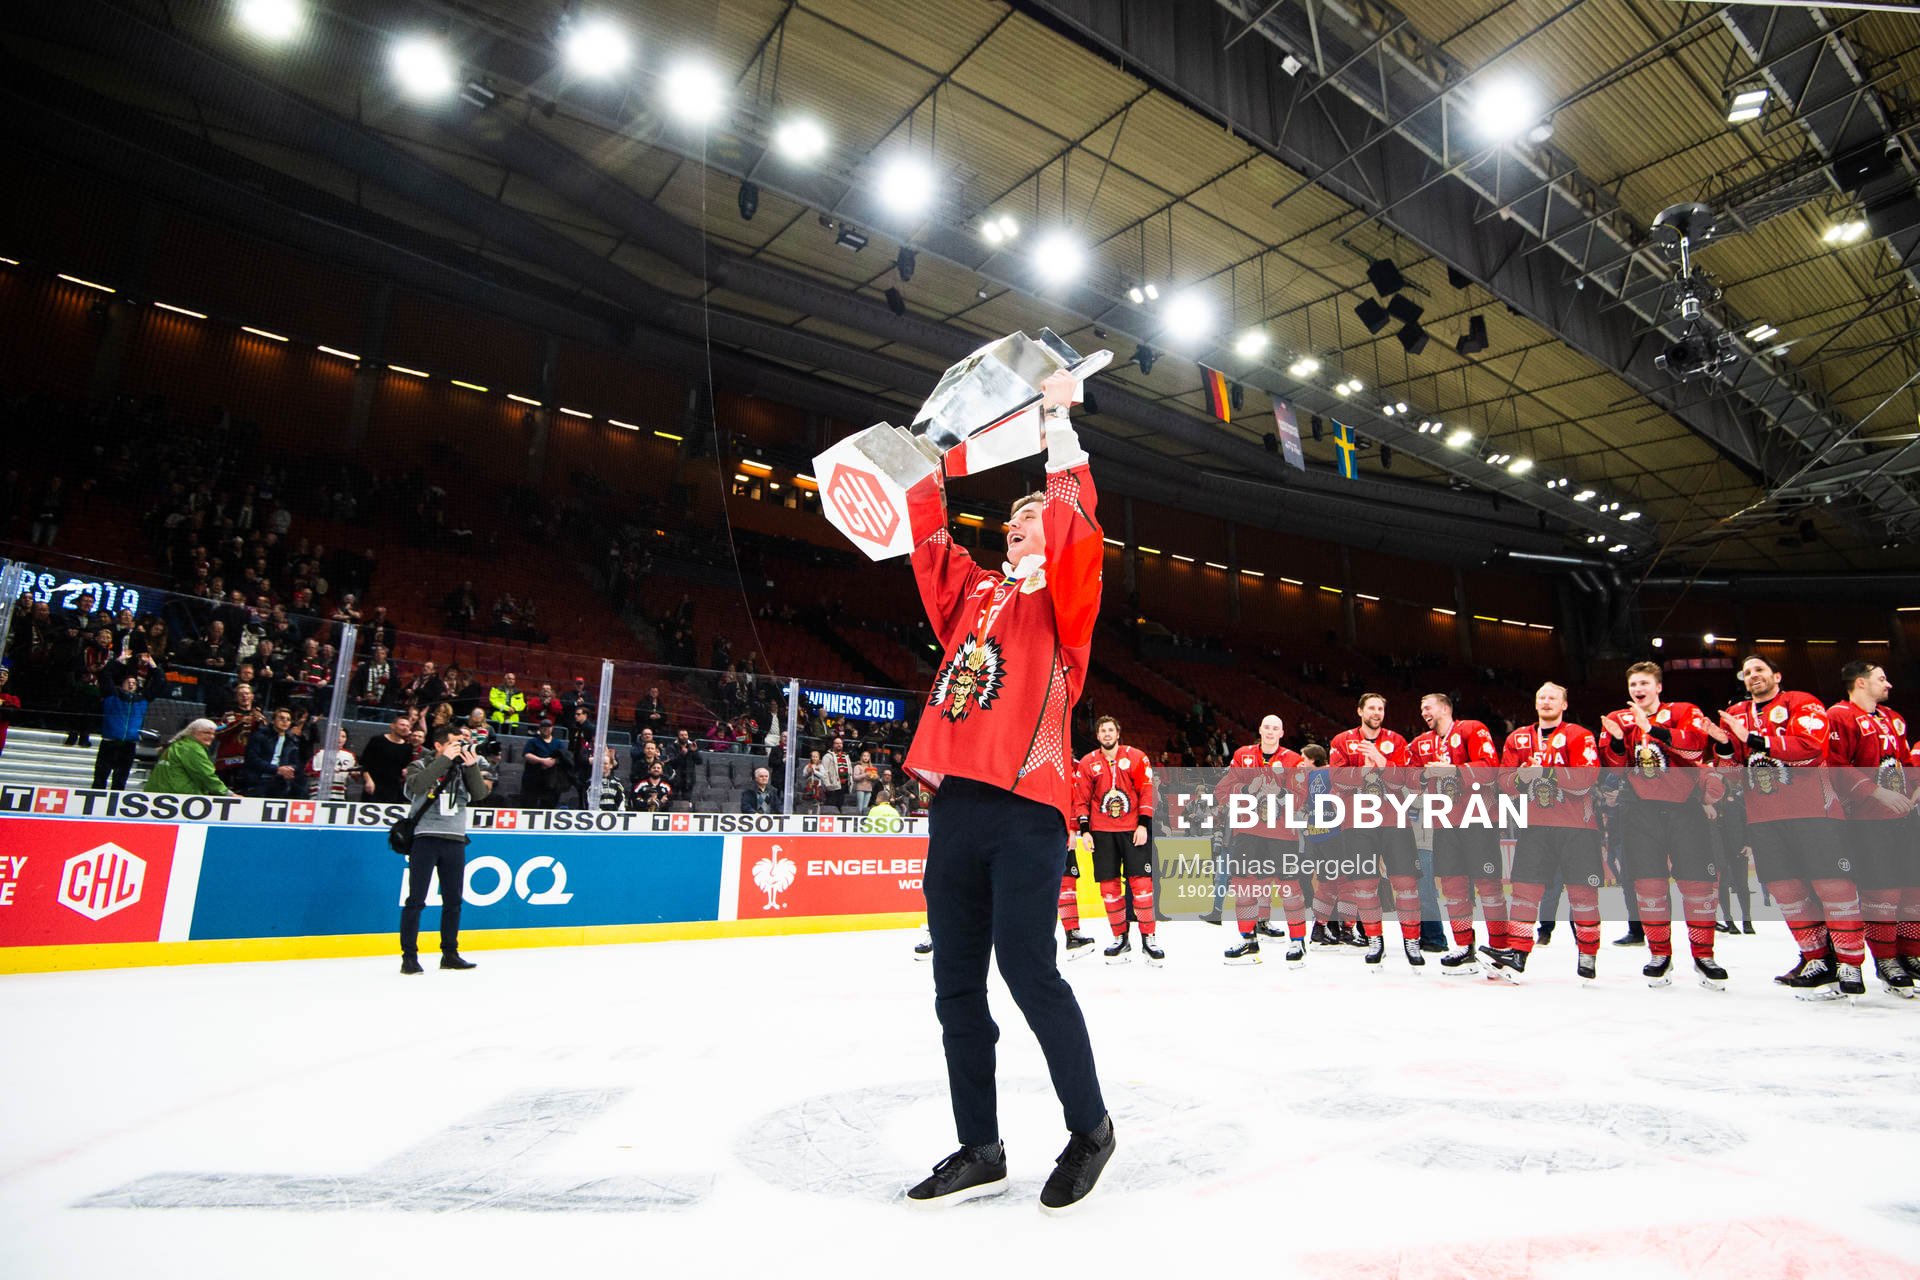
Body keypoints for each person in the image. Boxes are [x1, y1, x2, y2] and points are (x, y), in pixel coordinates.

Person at [900, 369, 1113, 1214]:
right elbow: (930, 545)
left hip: (1028, 809)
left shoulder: (1066, 603)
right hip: (957, 805)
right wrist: (922, 464)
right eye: (1016, 519)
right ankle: (978, 1145)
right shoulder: (976, 598)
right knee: (956, 986)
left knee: (1031, 973)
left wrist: (1058, 417)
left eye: (1030, 517)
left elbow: (1077, 529)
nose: (1019, 525)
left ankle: (1090, 1127)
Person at [1704, 653, 1858, 999]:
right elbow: (1731, 777)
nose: (1752, 676)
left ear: (1777, 675)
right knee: (1789, 891)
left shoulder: (1801, 702)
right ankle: (1816, 959)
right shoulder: (1738, 714)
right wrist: (1726, 746)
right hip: (1764, 817)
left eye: (1759, 669)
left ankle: (1849, 961)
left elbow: (1810, 750)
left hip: (1814, 811)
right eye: (1746, 672)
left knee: (1831, 886)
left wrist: (1754, 739)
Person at [1595, 663, 1727, 990]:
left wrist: (1653, 730)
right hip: (1639, 811)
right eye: (1633, 684)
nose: (1638, 689)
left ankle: (1704, 955)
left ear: (1658, 687)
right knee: (1649, 885)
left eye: (1644, 683)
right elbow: (1616, 765)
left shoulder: (1683, 711)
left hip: (1685, 808)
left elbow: (1696, 746)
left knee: (1697, 885)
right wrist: (1613, 743)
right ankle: (1659, 954)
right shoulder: (1619, 719)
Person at [1485, 683, 1602, 983]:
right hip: (1535, 825)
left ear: (1564, 704)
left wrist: (1545, 772)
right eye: (1541, 697)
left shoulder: (1579, 735)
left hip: (1577, 827)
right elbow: (1503, 780)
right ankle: (1518, 952)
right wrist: (1522, 778)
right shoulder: (1518, 737)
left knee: (1582, 894)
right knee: (1524, 890)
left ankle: (1588, 952)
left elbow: (1587, 777)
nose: (1546, 702)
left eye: (1553, 698)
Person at [1825, 660, 1915, 996]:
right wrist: (1876, 792)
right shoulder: (1839, 715)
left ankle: (1909, 953)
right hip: (1864, 821)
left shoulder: (1894, 719)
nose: (1888, 684)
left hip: (1901, 819)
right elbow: (1835, 765)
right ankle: (1886, 959)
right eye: (1881, 678)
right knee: (1883, 891)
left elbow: (1906, 762)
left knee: (1910, 888)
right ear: (1860, 683)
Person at [1409, 692, 1503, 977]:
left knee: (1488, 885)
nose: (1424, 712)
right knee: (1453, 887)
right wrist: (1425, 775)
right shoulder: (1421, 743)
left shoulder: (1472, 729)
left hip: (1478, 817)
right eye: (1421, 708)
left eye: (1429, 707)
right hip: (1443, 823)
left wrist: (1454, 770)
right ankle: (1464, 946)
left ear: (1445, 708)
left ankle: (1500, 946)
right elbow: (1407, 775)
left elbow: (1490, 767)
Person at [1328, 692, 1423, 969]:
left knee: (1405, 883)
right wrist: (1364, 772)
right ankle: (1374, 941)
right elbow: (1336, 778)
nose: (1377, 712)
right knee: (1365, 884)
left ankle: (1412, 941)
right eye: (1371, 707)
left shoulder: (1396, 741)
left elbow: (1407, 778)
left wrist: (1383, 763)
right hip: (1357, 822)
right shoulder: (1342, 741)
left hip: (1394, 820)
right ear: (1360, 711)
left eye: (1381, 708)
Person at [1212, 714, 1304, 966]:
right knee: (1243, 885)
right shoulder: (1243, 755)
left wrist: (1281, 792)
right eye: (1267, 727)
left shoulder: (1293, 759)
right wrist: (1246, 790)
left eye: (1276, 728)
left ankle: (1297, 942)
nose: (1271, 732)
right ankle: (1248, 941)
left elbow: (1302, 798)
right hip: (1247, 833)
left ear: (1282, 733)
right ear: (1260, 729)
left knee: (1289, 886)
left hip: (1282, 834)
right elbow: (1221, 792)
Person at [399, 723, 490, 974]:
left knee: (453, 900)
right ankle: (409, 956)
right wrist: (443, 761)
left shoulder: (462, 769)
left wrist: (471, 766)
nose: (458, 748)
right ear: (438, 745)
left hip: (455, 839)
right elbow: (416, 786)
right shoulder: (419, 765)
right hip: (425, 837)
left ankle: (449, 952)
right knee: (416, 899)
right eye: (453, 743)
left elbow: (480, 794)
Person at [1073, 715, 1161, 965]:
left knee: (1142, 887)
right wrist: (1085, 829)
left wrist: (1144, 824)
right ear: (1098, 736)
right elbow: (1081, 797)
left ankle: (1149, 939)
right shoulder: (1088, 762)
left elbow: (1146, 788)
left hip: (1133, 829)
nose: (1107, 734)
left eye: (1111, 730)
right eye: (1103, 731)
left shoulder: (1136, 757)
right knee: (1109, 889)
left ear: (1118, 733)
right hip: (1101, 832)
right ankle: (1120, 938)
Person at [143, 719, 231, 796]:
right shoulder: (192, 749)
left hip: (156, 793)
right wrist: (227, 793)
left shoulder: (177, 745)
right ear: (193, 732)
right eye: (207, 733)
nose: (211, 737)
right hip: (178, 797)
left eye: (213, 734)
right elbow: (205, 775)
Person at [94, 673, 150, 791]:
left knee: (120, 781)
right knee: (100, 777)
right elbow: (105, 677)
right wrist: (119, 661)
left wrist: (154, 666)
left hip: (128, 745)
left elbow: (159, 684)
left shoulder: (141, 700)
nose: (131, 685)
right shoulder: (112, 696)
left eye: (134, 683)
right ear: (122, 684)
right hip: (110, 743)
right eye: (128, 682)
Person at [242, 706, 303, 798]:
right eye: (281, 718)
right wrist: (277, 769)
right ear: (273, 721)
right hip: (259, 779)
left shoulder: (292, 741)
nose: (285, 721)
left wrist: (289, 769)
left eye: (288, 719)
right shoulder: (259, 736)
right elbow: (252, 759)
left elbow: (295, 763)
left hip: (281, 781)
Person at [359, 716, 416, 803]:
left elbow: (404, 768)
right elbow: (365, 763)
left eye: (408, 726)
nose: (405, 728)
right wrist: (368, 780)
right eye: (402, 725)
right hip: (374, 784)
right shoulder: (377, 740)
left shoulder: (408, 747)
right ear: (393, 726)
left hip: (393, 788)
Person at [519, 719, 568, 809]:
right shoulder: (533, 742)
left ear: (552, 728)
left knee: (549, 804)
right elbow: (527, 755)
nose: (546, 729)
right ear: (540, 729)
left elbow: (564, 756)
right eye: (544, 727)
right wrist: (542, 760)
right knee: (530, 803)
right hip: (533, 777)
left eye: (549, 727)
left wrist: (553, 761)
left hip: (552, 780)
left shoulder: (558, 743)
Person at [596, 747, 626, 811]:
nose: (603, 766)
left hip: (613, 816)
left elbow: (621, 801)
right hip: (596, 815)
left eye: (605, 763)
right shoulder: (591, 782)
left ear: (611, 765)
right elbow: (589, 801)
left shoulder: (617, 783)